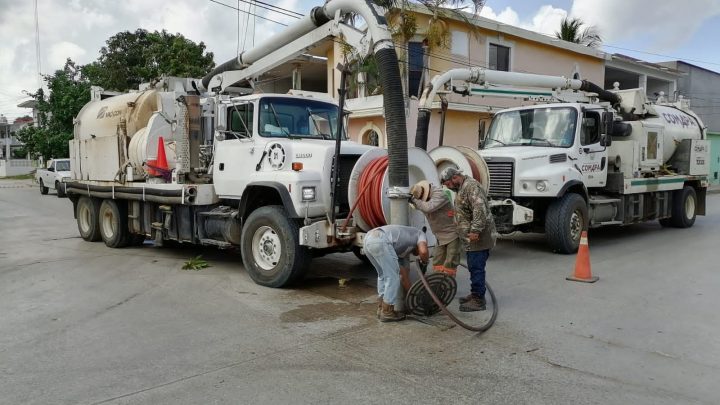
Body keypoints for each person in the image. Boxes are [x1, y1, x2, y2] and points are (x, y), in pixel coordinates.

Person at [440, 167, 497, 312]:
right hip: (471, 238)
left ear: (455, 178)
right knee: (473, 266)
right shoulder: (461, 188)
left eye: (448, 184)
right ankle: (475, 294)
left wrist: (475, 230)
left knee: (476, 268)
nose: (448, 187)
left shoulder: (471, 187)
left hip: (478, 238)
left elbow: (480, 209)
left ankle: (478, 300)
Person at [363, 225, 429, 322]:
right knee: (393, 277)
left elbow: (404, 277)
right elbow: (423, 252)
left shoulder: (401, 245)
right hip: (380, 239)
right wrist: (425, 262)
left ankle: (381, 308)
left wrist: (414, 295)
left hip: (368, 239)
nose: (417, 254)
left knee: (382, 275)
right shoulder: (420, 234)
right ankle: (387, 312)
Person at [409, 180, 461, 277]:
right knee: (437, 262)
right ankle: (438, 284)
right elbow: (421, 206)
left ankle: (447, 284)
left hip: (452, 234)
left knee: (450, 264)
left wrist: (415, 200)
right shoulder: (424, 198)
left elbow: (428, 207)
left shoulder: (439, 194)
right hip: (440, 236)